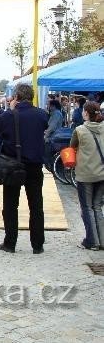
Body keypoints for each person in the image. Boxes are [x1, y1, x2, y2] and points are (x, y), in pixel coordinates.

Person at [0, 83, 49, 254]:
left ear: (16, 97)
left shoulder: (9, 116)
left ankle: (10, 243)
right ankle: (37, 245)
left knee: (10, 205)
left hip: (13, 166)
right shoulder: (42, 115)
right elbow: (42, 128)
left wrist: (5, 111)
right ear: (32, 97)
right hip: (35, 166)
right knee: (36, 206)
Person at [70, 101, 104, 250]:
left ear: (86, 113)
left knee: (87, 208)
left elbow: (72, 146)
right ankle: (102, 240)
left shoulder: (80, 130)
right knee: (97, 206)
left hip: (86, 174)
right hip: (102, 173)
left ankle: (92, 241)